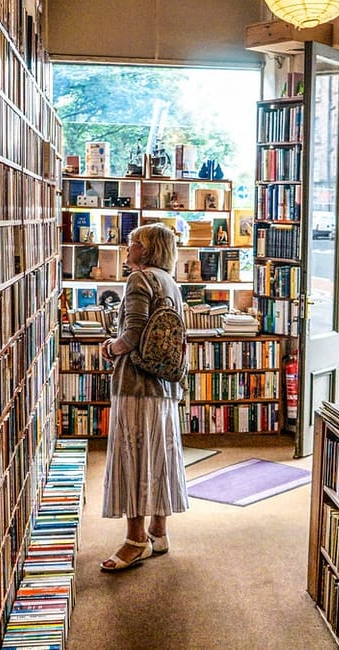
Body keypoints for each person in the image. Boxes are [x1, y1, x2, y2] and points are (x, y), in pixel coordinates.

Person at [97, 223, 189, 571]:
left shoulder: (139, 280)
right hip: (164, 384)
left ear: (146, 250)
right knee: (159, 456)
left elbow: (132, 335)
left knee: (132, 458)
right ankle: (159, 531)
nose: (127, 246)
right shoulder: (170, 282)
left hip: (136, 386)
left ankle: (135, 540)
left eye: (133, 242)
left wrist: (109, 348)